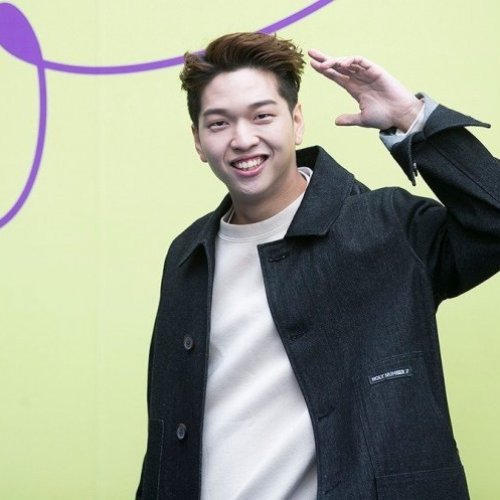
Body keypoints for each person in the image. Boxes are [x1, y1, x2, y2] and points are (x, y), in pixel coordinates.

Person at [136, 32, 500, 500]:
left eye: (262, 116)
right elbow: (169, 432)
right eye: (219, 123)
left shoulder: (385, 226)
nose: (243, 139)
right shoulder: (189, 254)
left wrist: (412, 118)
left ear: (296, 121)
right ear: (199, 141)